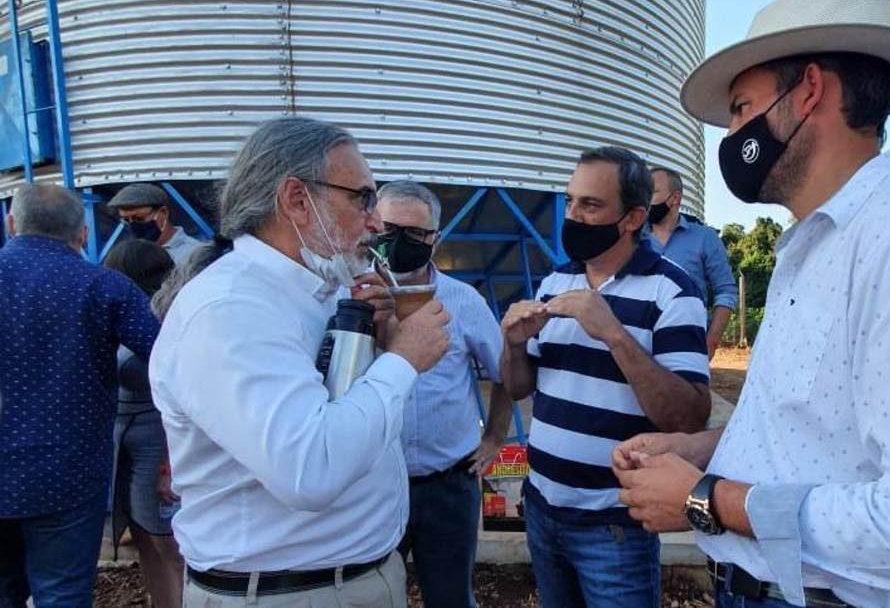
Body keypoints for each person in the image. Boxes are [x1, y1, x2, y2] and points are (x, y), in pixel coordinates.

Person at [613, 0, 890, 608]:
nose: (731, 133)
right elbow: (823, 442)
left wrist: (705, 498)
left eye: (741, 108)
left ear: (810, 91)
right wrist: (703, 451)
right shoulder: (816, 246)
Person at [149, 117, 451, 607]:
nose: (376, 223)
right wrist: (402, 360)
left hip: (346, 580)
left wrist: (380, 343)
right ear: (296, 199)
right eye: (363, 199)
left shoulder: (315, 291)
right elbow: (310, 470)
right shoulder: (231, 308)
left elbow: (339, 411)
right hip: (287, 593)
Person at [500, 146, 711, 608]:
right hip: (542, 509)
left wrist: (615, 334)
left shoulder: (673, 292)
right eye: (570, 201)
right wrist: (513, 345)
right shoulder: (556, 282)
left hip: (613, 526)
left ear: (633, 217)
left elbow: (690, 416)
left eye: (591, 205)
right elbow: (518, 387)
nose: (573, 215)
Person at [0, 184, 160, 608]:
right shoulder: (105, 287)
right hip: (67, 476)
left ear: (11, 223)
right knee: (63, 596)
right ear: (83, 233)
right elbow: (168, 358)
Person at [375, 181, 512, 608]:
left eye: (415, 234)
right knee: (372, 596)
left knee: (451, 598)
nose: (399, 243)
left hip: (448, 486)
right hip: (373, 487)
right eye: (389, 230)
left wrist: (495, 437)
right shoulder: (349, 297)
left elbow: (506, 373)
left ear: (435, 239)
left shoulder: (463, 301)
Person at [102, 239, 185, 608]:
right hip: (129, 444)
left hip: (158, 442)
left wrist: (170, 464)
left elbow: (182, 399)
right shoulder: (123, 315)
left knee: (169, 546)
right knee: (146, 541)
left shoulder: (167, 323)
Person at [647, 166, 738, 355]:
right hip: (636, 344)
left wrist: (711, 341)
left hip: (687, 345)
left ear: (675, 198)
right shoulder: (631, 238)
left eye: (652, 192)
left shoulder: (705, 238)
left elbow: (726, 291)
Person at [108, 182, 205, 264]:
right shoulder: (128, 257)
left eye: (139, 218)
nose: (133, 225)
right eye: (126, 220)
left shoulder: (195, 254)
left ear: (163, 212)